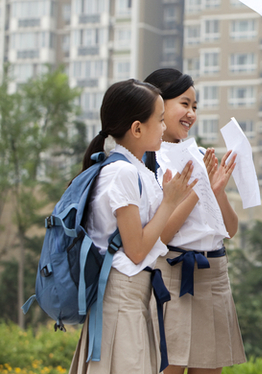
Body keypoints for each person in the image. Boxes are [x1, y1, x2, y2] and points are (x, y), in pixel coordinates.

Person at [70, 79, 196, 374]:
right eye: (160, 120)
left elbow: (155, 238)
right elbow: (137, 250)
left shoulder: (136, 170)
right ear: (137, 128)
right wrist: (168, 202)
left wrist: (174, 199)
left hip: (131, 297)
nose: (164, 128)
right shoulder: (123, 173)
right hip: (121, 298)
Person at [143, 68, 247, 374]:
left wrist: (215, 189)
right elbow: (161, 236)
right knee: (168, 368)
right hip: (173, 273)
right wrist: (196, 187)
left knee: (210, 368)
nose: (191, 113)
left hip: (214, 273)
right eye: (184, 103)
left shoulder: (200, 154)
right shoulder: (151, 160)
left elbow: (229, 229)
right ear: (158, 106)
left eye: (195, 106)